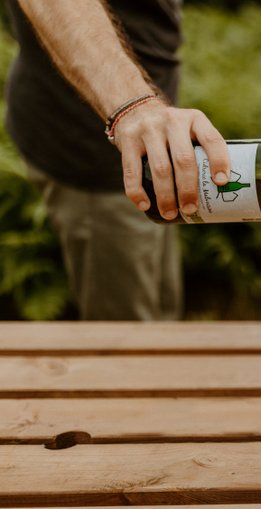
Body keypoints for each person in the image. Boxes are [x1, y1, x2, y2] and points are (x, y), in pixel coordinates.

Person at [4, 0, 230, 320]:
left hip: (155, 144)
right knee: (126, 337)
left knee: (162, 319)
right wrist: (133, 107)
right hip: (97, 153)